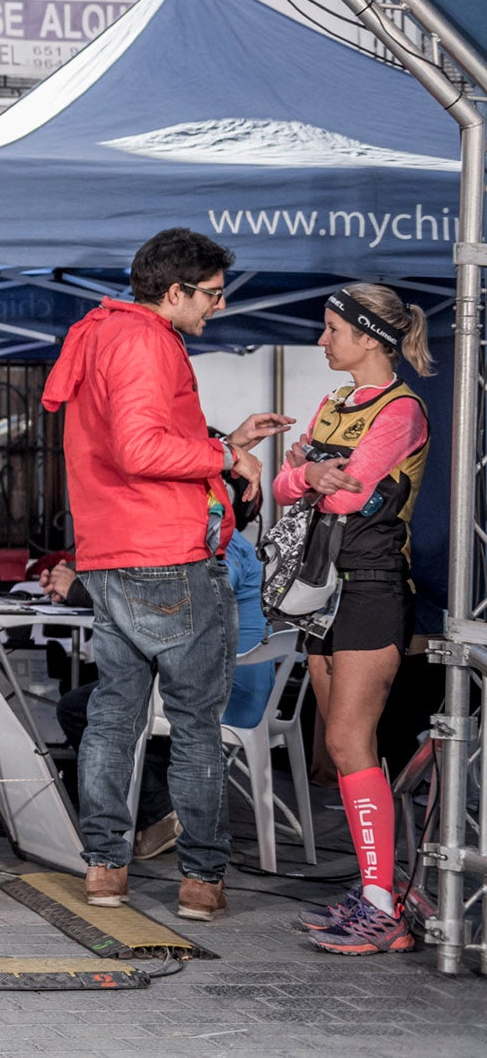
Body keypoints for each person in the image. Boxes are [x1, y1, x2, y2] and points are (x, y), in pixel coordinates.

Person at [40, 228, 295, 924]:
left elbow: (124, 437)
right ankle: (201, 879)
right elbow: (142, 446)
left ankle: (104, 871)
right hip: (170, 552)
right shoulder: (149, 340)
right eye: (211, 294)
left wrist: (225, 443)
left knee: (113, 718)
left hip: (111, 553)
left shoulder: (98, 332)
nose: (218, 306)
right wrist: (221, 457)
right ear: (175, 290)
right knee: (192, 725)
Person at [273, 285, 435, 955]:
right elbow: (287, 484)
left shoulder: (402, 409)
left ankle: (381, 901)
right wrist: (313, 473)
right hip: (323, 589)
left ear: (370, 336)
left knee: (348, 739)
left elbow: (354, 493)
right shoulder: (337, 402)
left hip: (371, 587)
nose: (322, 339)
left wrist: (308, 471)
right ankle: (373, 890)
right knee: (339, 748)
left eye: (332, 328)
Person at [47, 460, 275, 863]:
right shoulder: (225, 542)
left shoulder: (223, 548)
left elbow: (179, 611)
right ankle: (167, 822)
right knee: (116, 704)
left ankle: (157, 818)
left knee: (93, 710)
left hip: (228, 688)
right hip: (227, 678)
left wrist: (84, 591)